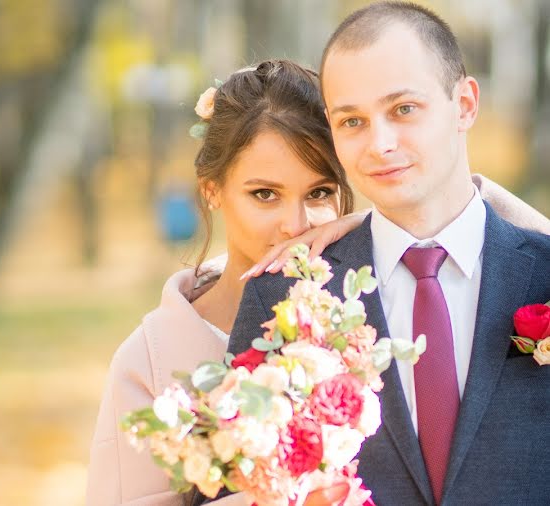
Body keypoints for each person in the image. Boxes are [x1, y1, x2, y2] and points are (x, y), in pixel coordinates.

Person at [86, 58, 548, 504]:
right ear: (212, 191)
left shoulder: (367, 302)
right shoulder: (152, 358)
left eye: (320, 193)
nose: (296, 224)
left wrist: (366, 222)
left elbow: (482, 227)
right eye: (264, 195)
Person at [225, 3, 550, 506]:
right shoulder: (283, 297)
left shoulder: (544, 275)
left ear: (464, 104)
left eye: (403, 109)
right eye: (352, 120)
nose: (379, 144)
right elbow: (232, 481)